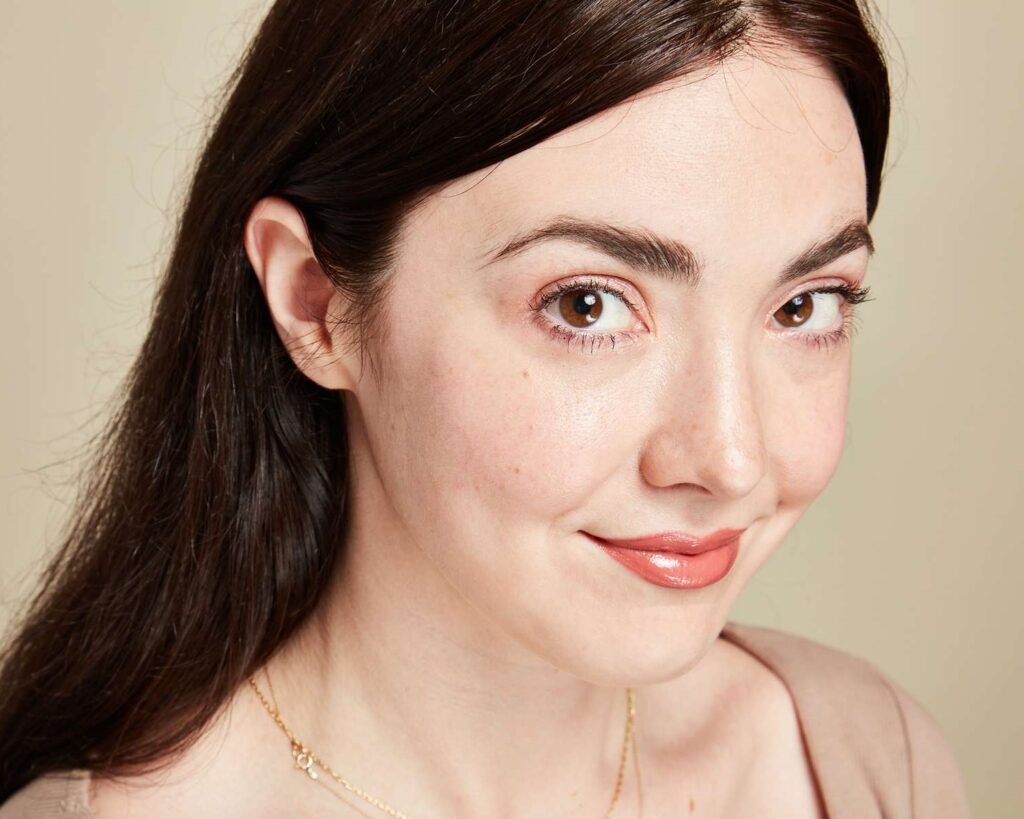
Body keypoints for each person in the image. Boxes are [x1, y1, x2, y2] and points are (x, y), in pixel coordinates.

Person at [0, 1, 972, 817]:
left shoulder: (864, 762)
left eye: (804, 306)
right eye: (586, 305)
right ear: (315, 302)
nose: (729, 458)